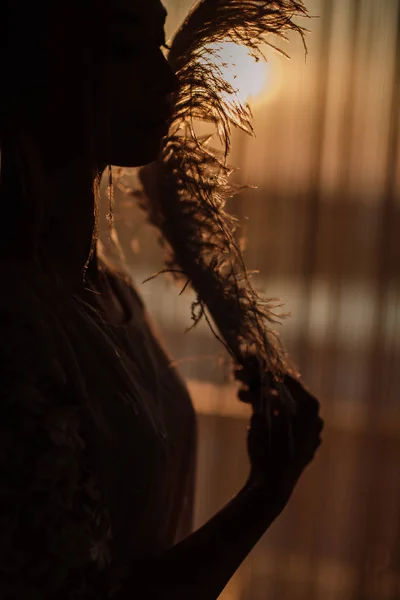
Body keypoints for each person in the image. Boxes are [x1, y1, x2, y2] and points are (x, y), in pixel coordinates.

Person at [0, 0, 323, 598]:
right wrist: (267, 493)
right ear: (44, 66)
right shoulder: (17, 326)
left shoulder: (114, 294)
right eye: (124, 49)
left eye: (160, 44)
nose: (165, 77)